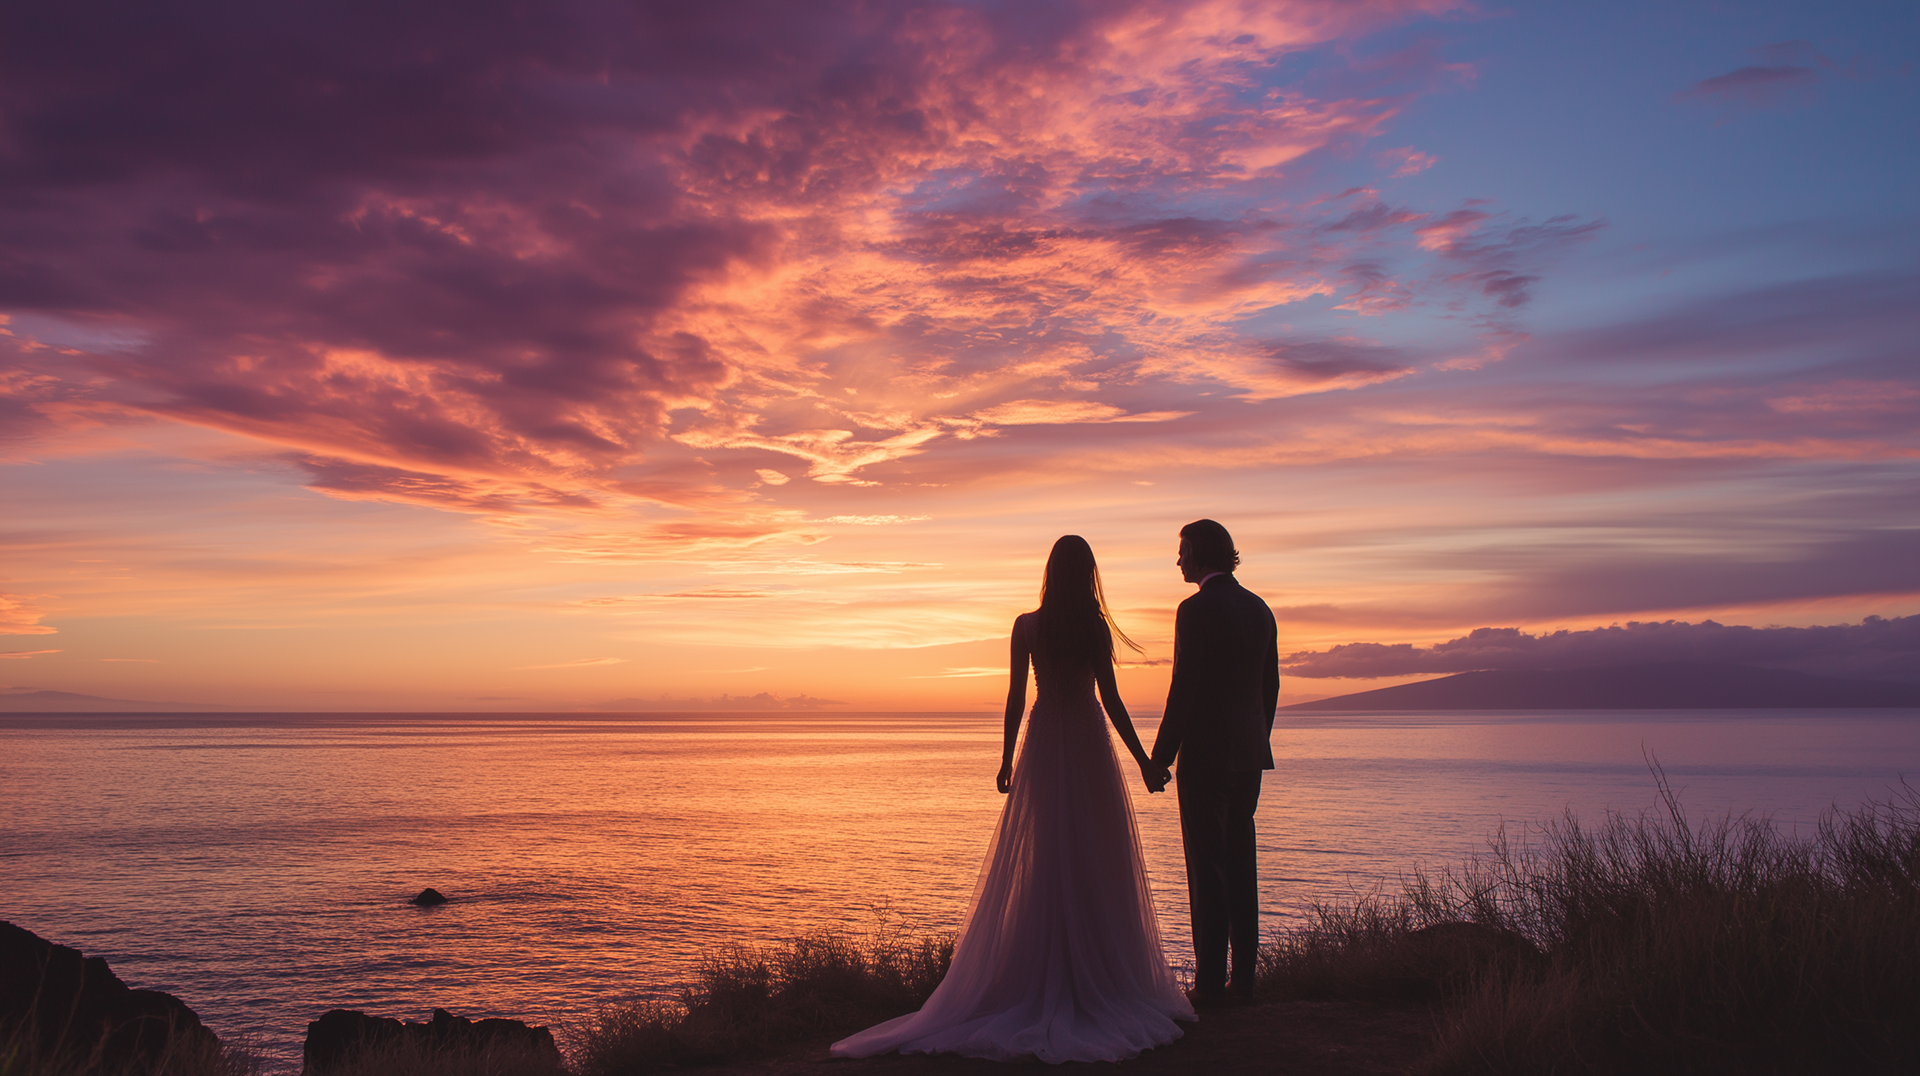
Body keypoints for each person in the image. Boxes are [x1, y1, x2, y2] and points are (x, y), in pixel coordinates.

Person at [830, 535, 1194, 1063]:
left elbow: (1016, 696)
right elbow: (1110, 699)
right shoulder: (1092, 627)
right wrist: (1142, 761)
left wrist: (1005, 759)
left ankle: (1046, 968)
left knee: (1047, 852)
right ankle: (1094, 972)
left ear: (1050, 572)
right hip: (1088, 742)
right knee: (1094, 853)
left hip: (1045, 740)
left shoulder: (1027, 625)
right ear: (1088, 573)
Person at [1149, 519, 1279, 1006]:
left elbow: (1184, 688)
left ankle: (1207, 984)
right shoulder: (1259, 609)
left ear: (1201, 555)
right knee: (1242, 864)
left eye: (1182, 551)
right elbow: (1271, 687)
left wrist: (1159, 758)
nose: (1178, 560)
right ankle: (1243, 979)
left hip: (1205, 757)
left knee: (1207, 869)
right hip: (1248, 757)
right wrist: (1255, 740)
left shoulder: (1195, 610)